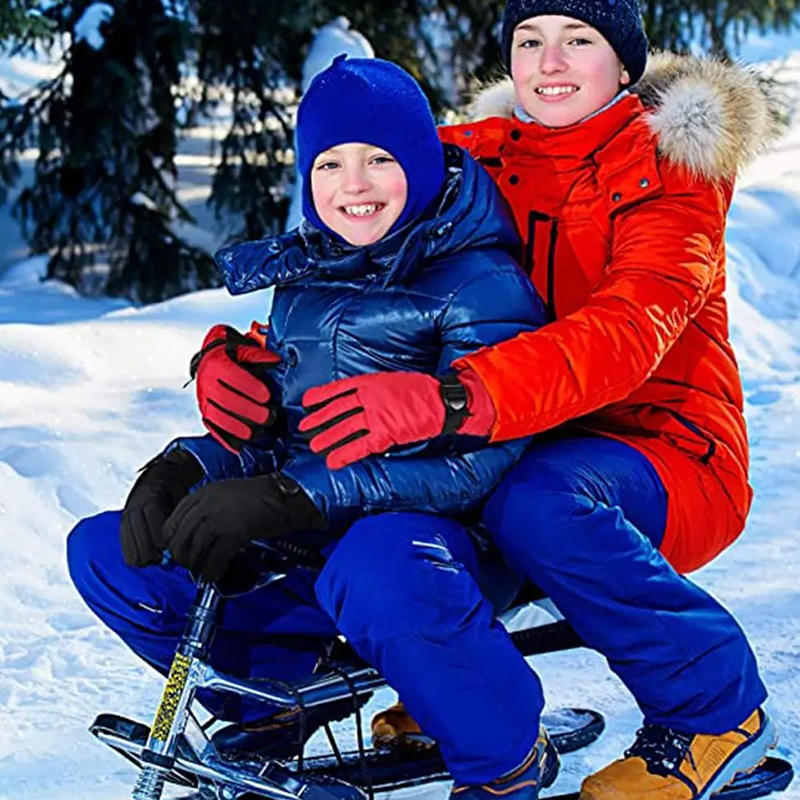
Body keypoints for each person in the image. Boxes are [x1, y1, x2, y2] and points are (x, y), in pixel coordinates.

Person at [202, 4, 782, 800]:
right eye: (528, 42)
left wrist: (450, 398)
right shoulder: (476, 154)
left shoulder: (670, 171)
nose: (550, 63)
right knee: (410, 505)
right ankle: (456, 692)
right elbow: (357, 240)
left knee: (533, 501)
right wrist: (238, 358)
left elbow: (624, 332)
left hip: (660, 448)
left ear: (623, 64)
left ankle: (718, 717)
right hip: (506, 436)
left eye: (578, 41)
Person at [66, 55, 556, 788]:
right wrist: (187, 467)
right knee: (109, 550)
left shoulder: (480, 282)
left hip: (439, 549)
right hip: (322, 541)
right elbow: (280, 435)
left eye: (378, 160)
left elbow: (481, 462)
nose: (352, 186)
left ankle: (504, 751)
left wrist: (299, 497)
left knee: (376, 563)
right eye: (329, 164)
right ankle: (286, 691)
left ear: (421, 163)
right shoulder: (306, 279)